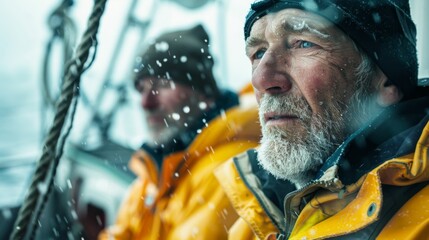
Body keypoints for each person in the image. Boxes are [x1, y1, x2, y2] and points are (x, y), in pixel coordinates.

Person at [214, 0, 429, 239]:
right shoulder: (260, 213)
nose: (262, 79)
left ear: (386, 79)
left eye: (303, 44)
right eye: (259, 53)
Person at [98, 24, 261, 239]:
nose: (146, 102)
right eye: (141, 89)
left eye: (162, 85)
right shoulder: (159, 169)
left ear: (203, 93)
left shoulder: (229, 171)